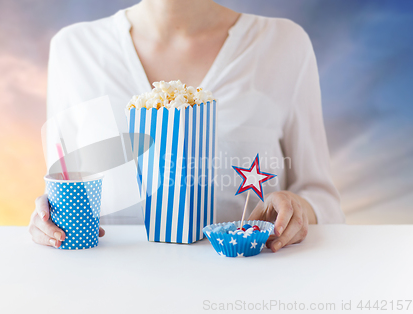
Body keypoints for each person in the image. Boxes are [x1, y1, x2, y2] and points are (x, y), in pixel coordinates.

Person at [28, 0, 345, 252]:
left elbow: (322, 199)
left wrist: (300, 209)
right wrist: (49, 216)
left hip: (243, 286)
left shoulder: (283, 45)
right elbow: (62, 182)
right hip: (108, 289)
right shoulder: (73, 49)